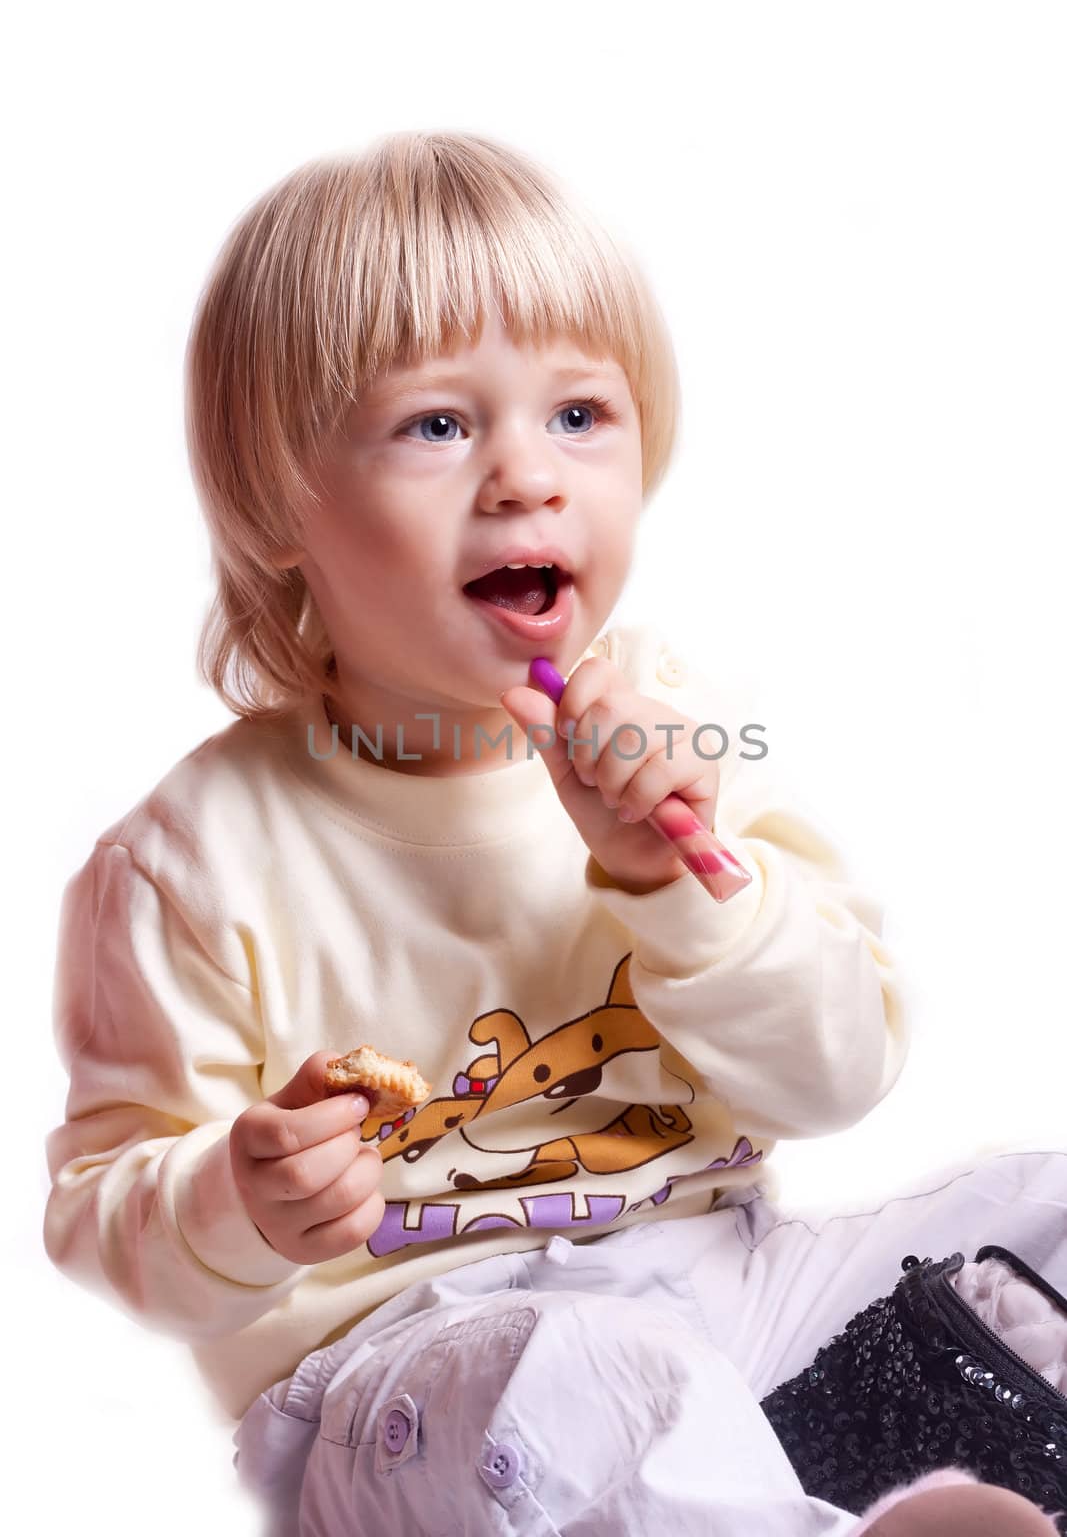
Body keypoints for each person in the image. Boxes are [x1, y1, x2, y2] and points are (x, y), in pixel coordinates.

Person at [43, 130, 1065, 1535]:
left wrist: (676, 880)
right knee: (581, 1376)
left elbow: (833, 1078)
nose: (527, 477)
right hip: (417, 1372)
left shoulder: (678, 730)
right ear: (284, 499)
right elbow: (103, 1221)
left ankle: (813, 1496)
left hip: (734, 1294)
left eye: (580, 416)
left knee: (1044, 1201)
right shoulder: (192, 857)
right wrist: (236, 1198)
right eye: (439, 425)